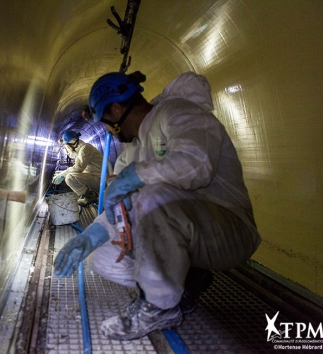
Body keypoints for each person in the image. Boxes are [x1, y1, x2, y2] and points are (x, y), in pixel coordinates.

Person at [54, 71, 262, 340]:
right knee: (102, 257)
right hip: (180, 227)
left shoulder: (180, 113)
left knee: (152, 196)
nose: (105, 129)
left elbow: (196, 165)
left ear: (115, 110)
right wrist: (93, 236)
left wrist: (135, 176)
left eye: (103, 121)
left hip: (227, 229)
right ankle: (179, 288)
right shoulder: (133, 150)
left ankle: (159, 307)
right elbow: (123, 209)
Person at [52, 130, 103, 207]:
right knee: (68, 174)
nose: (67, 149)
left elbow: (78, 168)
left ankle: (90, 197)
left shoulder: (85, 148)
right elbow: (74, 156)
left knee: (69, 178)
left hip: (100, 180)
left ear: (72, 143)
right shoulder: (81, 149)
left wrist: (63, 174)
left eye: (67, 147)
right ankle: (88, 193)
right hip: (95, 176)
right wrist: (63, 172)